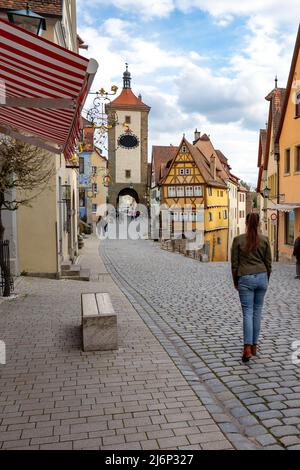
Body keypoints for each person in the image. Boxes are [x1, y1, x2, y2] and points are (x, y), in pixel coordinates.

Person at [231, 213, 272, 363]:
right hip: (262, 277)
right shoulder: (265, 240)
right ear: (259, 223)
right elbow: (268, 263)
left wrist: (236, 281)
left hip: (245, 278)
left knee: (247, 313)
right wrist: (266, 279)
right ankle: (254, 346)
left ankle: (247, 348)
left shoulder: (238, 240)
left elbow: (234, 264)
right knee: (257, 312)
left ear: (247, 223)